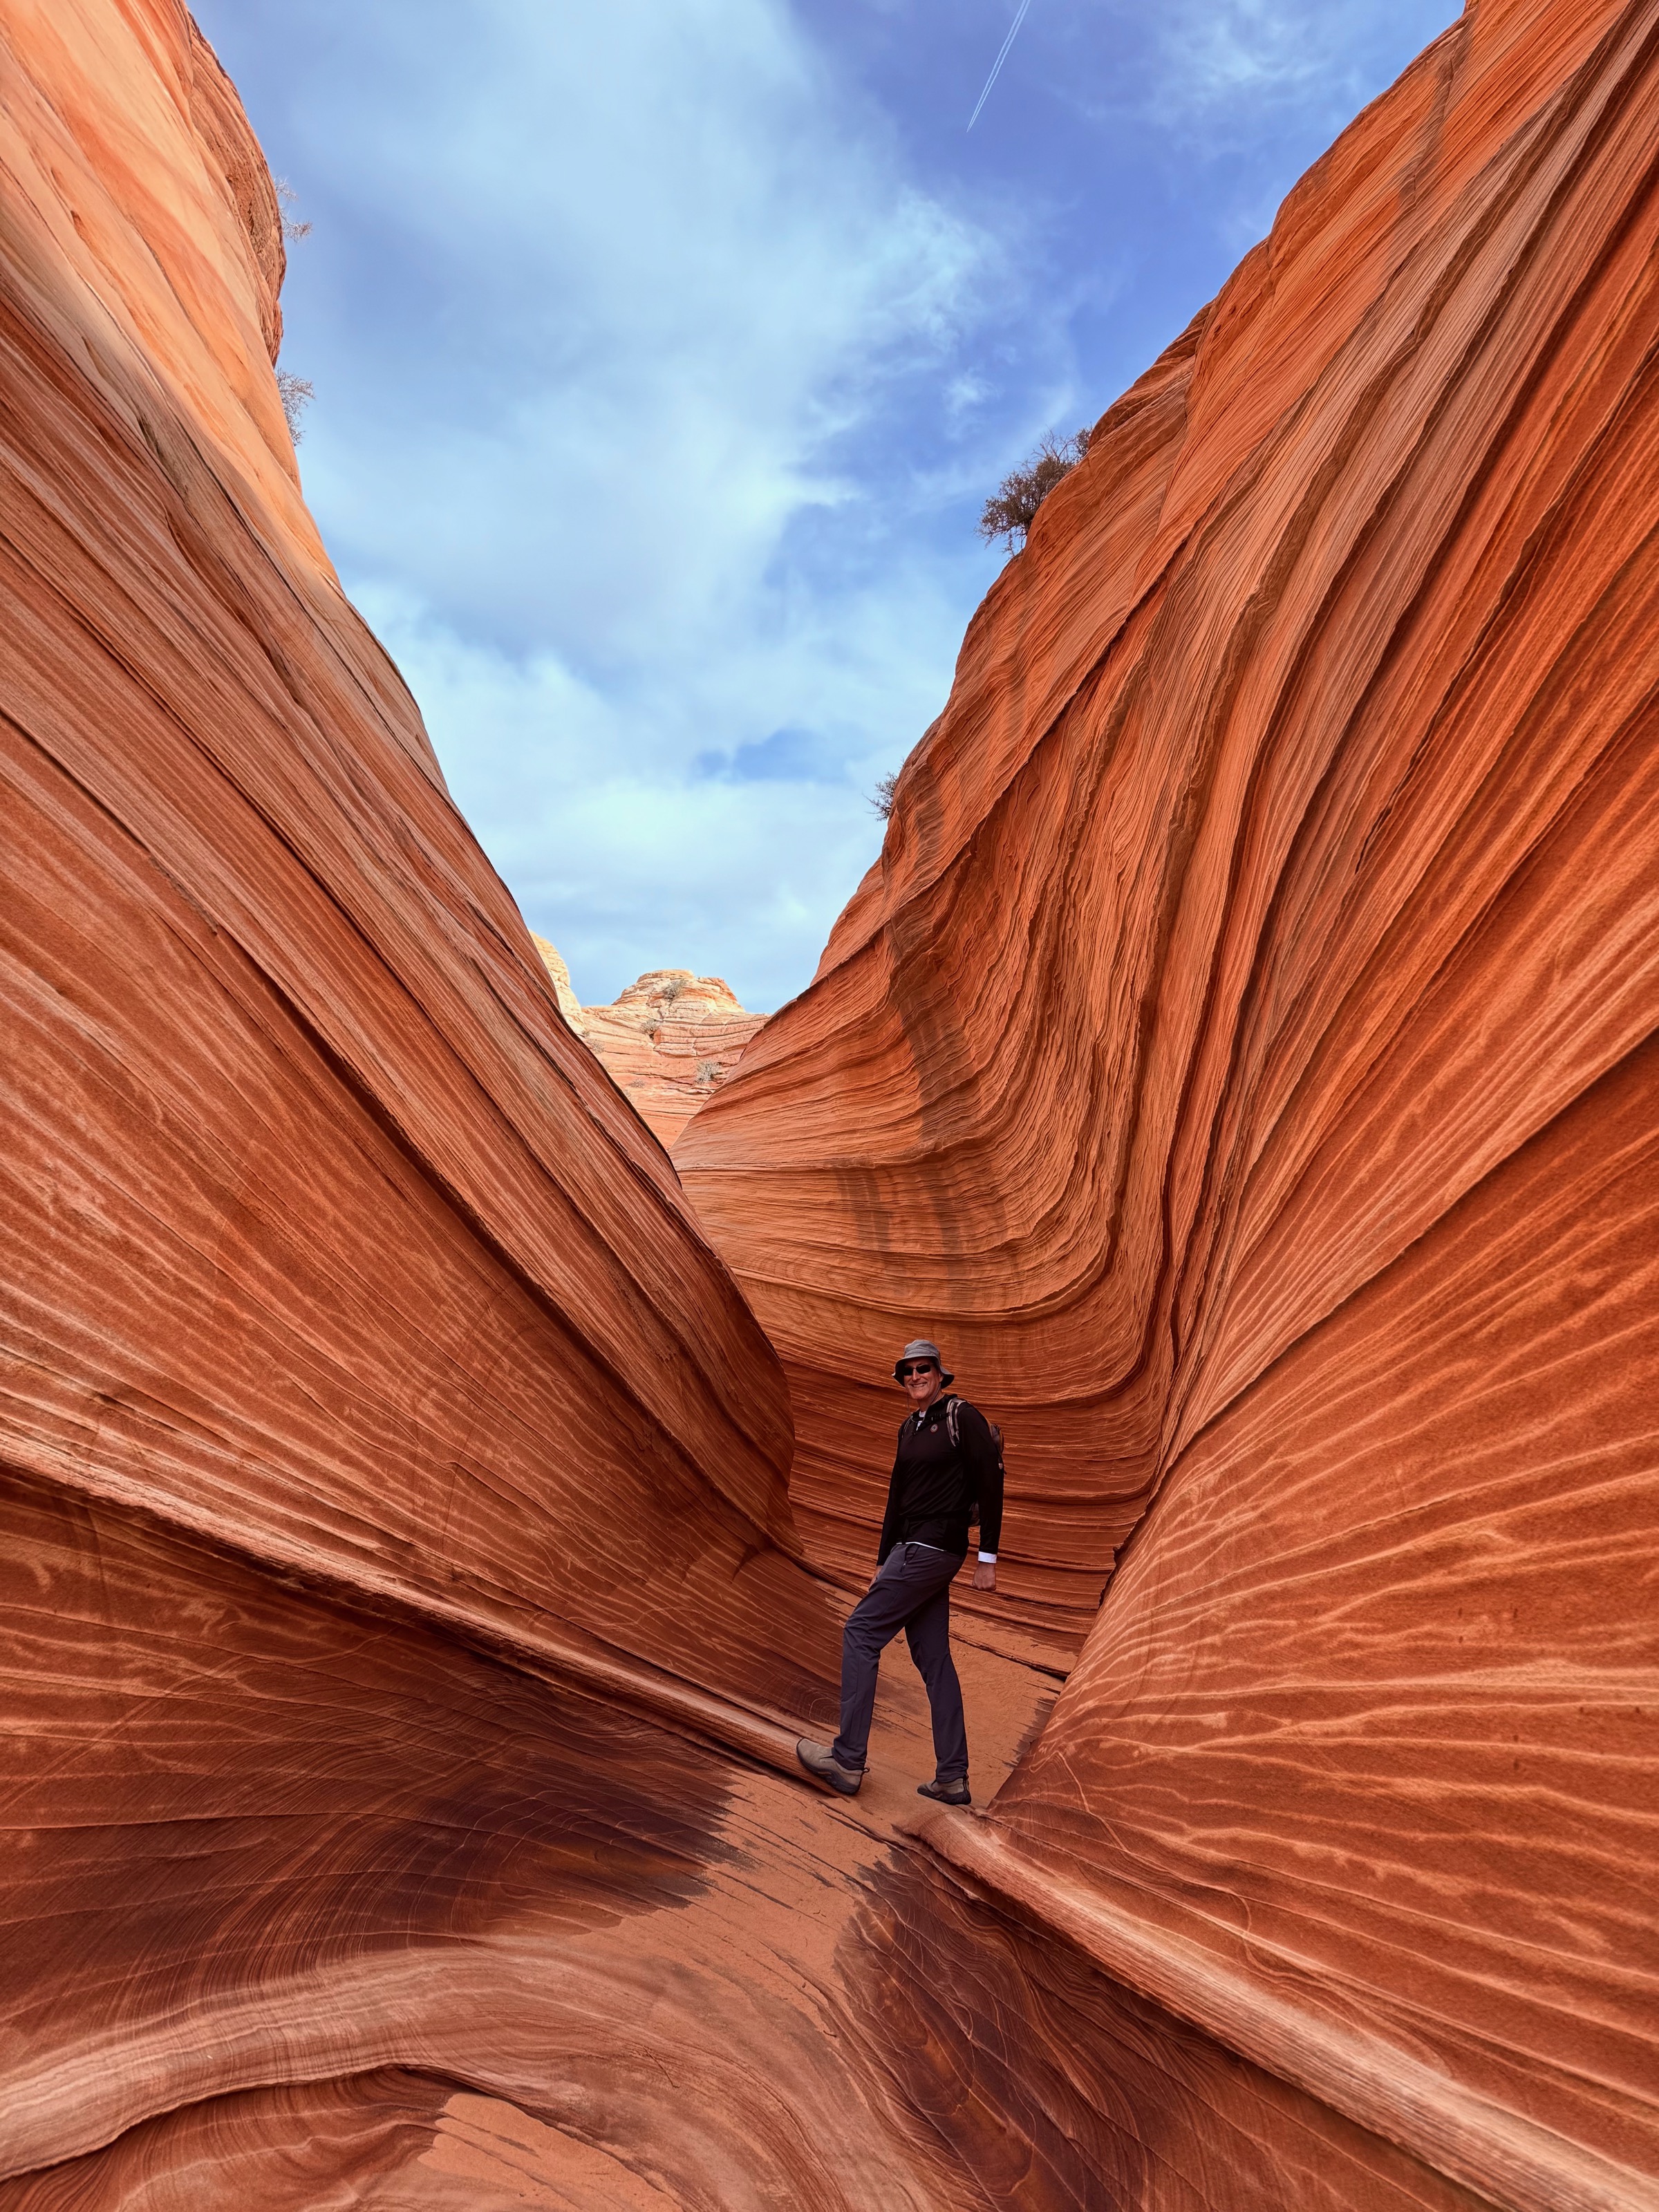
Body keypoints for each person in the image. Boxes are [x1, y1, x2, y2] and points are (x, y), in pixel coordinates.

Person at [796, 1339, 1003, 1806]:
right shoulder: (909, 1428)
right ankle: (952, 1777)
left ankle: (848, 1759)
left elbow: (991, 1482)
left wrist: (988, 1558)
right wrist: (880, 1561)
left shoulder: (961, 1416)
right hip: (911, 1551)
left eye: (923, 1368)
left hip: (931, 1549)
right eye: (907, 1370)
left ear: (939, 1373)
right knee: (934, 1661)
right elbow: (896, 1498)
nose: (915, 1376)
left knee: (861, 1632)